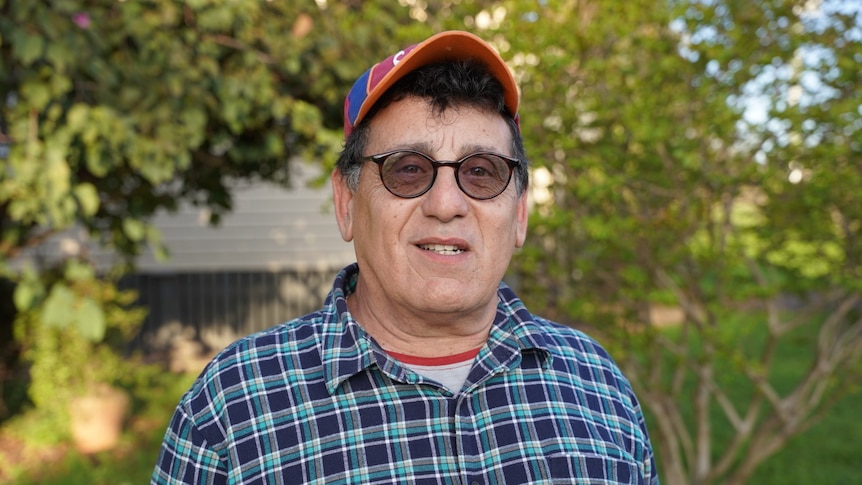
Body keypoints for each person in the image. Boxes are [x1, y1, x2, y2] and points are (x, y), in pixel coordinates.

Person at [152, 30, 658, 484]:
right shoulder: (232, 405)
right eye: (409, 170)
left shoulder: (597, 382)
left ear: (519, 214)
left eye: (481, 172)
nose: (446, 205)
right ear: (347, 203)